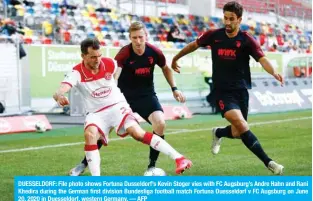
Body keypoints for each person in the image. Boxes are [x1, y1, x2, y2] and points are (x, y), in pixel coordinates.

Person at [171, 1, 284, 175]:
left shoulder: (246, 40)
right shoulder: (214, 35)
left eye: (232, 19)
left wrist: (274, 72)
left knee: (238, 132)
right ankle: (269, 162)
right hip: (222, 91)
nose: (228, 22)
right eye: (225, 18)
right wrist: (175, 58)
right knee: (240, 123)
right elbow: (193, 45)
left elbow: (262, 59)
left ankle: (218, 133)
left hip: (241, 91)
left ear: (239, 19)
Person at [54, 38, 192, 176]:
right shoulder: (76, 72)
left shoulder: (108, 63)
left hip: (117, 106)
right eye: (93, 57)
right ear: (83, 56)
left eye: (99, 56)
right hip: (96, 113)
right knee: (90, 134)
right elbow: (60, 89)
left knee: (137, 134)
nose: (97, 60)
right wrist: (60, 96)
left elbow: (122, 73)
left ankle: (179, 158)